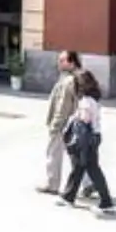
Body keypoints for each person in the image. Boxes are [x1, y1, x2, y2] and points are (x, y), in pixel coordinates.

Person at [58, 70, 115, 214]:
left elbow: (85, 119)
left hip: (86, 139)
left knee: (91, 170)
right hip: (92, 137)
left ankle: (106, 202)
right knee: (79, 168)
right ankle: (68, 196)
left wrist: (75, 117)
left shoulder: (86, 101)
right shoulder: (93, 99)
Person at [39, 50, 80, 195]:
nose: (59, 63)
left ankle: (52, 184)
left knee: (54, 153)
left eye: (63, 61)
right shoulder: (75, 77)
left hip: (64, 124)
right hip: (74, 123)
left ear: (71, 63)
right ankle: (89, 183)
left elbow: (63, 106)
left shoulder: (69, 81)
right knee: (77, 155)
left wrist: (55, 125)